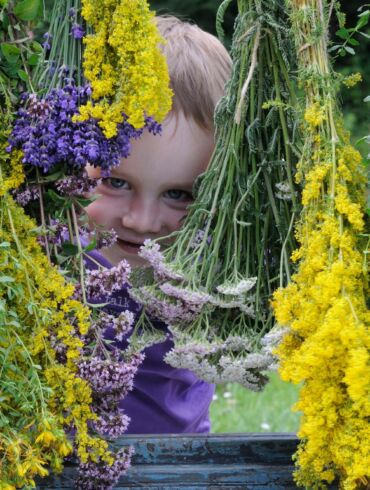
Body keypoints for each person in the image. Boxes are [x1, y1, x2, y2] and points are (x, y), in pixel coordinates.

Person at [85, 15, 232, 433]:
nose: (141, 221)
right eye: (115, 182)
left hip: (183, 469)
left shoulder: (222, 274)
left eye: (179, 194)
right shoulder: (51, 270)